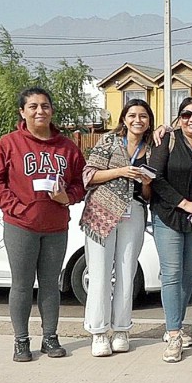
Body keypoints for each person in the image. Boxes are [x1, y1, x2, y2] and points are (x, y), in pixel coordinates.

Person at [0, 87, 86, 362]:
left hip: (56, 227)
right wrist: (17, 207)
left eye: (45, 106)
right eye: (33, 106)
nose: (40, 111)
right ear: (22, 112)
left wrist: (66, 197)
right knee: (22, 285)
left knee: (50, 284)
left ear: (52, 111)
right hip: (21, 225)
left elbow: (81, 184)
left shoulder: (67, 147)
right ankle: (21, 341)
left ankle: (50, 337)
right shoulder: (8, 143)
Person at [80, 99, 154, 357]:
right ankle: (99, 332)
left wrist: (145, 182)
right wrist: (121, 170)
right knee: (99, 272)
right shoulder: (109, 141)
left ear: (148, 120)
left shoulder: (152, 148)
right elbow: (89, 176)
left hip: (133, 212)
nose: (137, 120)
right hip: (103, 209)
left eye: (143, 116)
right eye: (132, 115)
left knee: (126, 271)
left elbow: (148, 194)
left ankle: (122, 329)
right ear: (124, 119)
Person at [150, 97, 192, 363]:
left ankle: (177, 324)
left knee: (189, 275)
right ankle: (174, 334)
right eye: (186, 114)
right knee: (172, 274)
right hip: (168, 215)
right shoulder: (168, 140)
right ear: (179, 118)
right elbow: (154, 177)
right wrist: (184, 203)